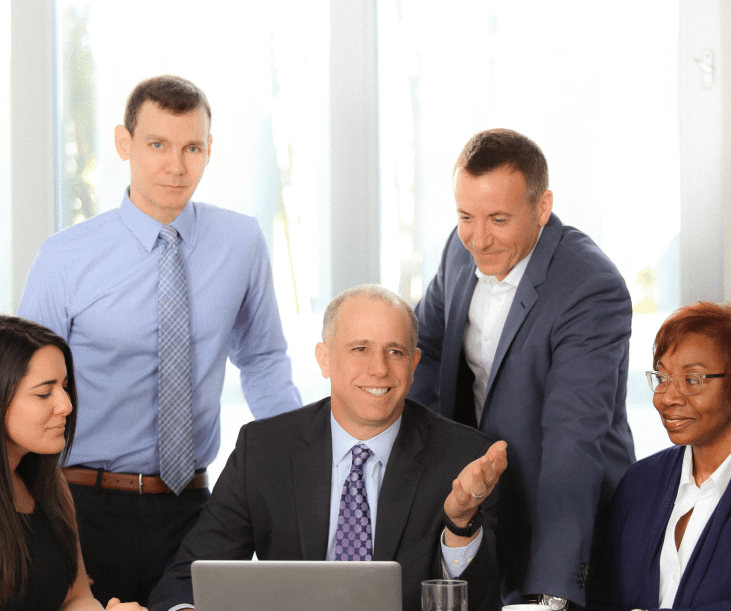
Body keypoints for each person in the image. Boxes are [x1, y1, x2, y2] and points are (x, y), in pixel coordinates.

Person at [17, 75, 302, 606]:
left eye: (192, 147)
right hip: (81, 504)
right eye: (157, 145)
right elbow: (17, 387)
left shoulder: (240, 242)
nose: (176, 166)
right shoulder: (65, 257)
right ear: (124, 144)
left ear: (209, 150)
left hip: (194, 506)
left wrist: (302, 468)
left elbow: (262, 361)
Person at [147, 285, 508, 611]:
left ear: (413, 365)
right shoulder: (262, 450)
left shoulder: (464, 459)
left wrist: (460, 525)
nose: (378, 369)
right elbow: (185, 584)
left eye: (394, 352)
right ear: (324, 359)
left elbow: (481, 602)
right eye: (360, 349)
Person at [408, 128, 636, 608]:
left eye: (498, 218)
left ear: (542, 206)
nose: (479, 238)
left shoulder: (591, 287)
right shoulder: (458, 248)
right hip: (481, 509)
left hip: (566, 521)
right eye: (466, 216)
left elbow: (572, 442)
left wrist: (553, 595)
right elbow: (422, 353)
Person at [587, 302, 731, 611]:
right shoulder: (640, 480)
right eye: (662, 377)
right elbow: (603, 598)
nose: (667, 398)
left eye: (692, 381)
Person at [0, 315, 147, 611]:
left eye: (65, 386)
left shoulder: (49, 482)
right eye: (44, 393)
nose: (66, 405)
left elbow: (76, 596)